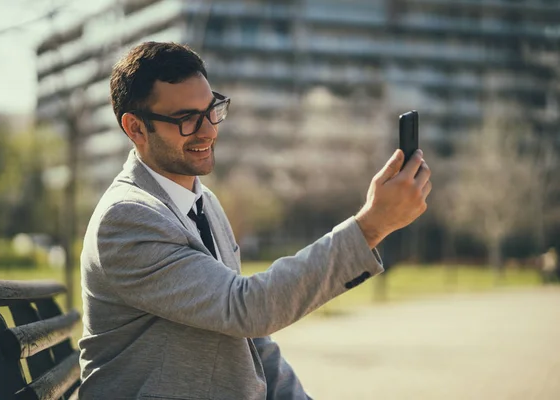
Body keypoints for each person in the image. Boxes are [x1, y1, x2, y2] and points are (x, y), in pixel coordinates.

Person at [78, 41, 432, 400]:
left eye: (211, 110)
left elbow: (251, 342)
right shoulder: (126, 217)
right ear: (135, 128)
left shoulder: (205, 203)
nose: (209, 131)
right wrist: (371, 226)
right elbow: (246, 308)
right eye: (186, 119)